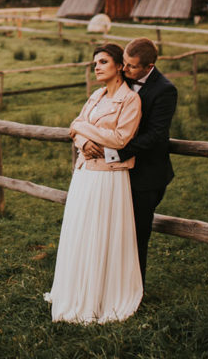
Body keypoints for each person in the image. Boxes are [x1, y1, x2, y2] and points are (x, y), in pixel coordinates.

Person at [44, 42, 143, 324]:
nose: (96, 67)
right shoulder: (96, 95)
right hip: (85, 171)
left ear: (119, 67)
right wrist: (85, 139)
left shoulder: (130, 100)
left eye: (102, 62)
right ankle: (76, 288)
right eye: (95, 63)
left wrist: (83, 129)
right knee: (81, 229)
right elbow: (74, 126)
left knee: (103, 231)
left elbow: (120, 139)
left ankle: (103, 295)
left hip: (109, 176)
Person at [83, 37, 177, 283]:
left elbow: (155, 136)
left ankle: (134, 290)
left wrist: (109, 153)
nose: (125, 70)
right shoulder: (121, 81)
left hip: (145, 176)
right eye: (123, 63)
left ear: (149, 66)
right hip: (114, 175)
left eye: (132, 66)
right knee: (111, 232)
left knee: (135, 235)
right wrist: (85, 142)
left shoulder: (164, 90)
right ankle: (108, 284)